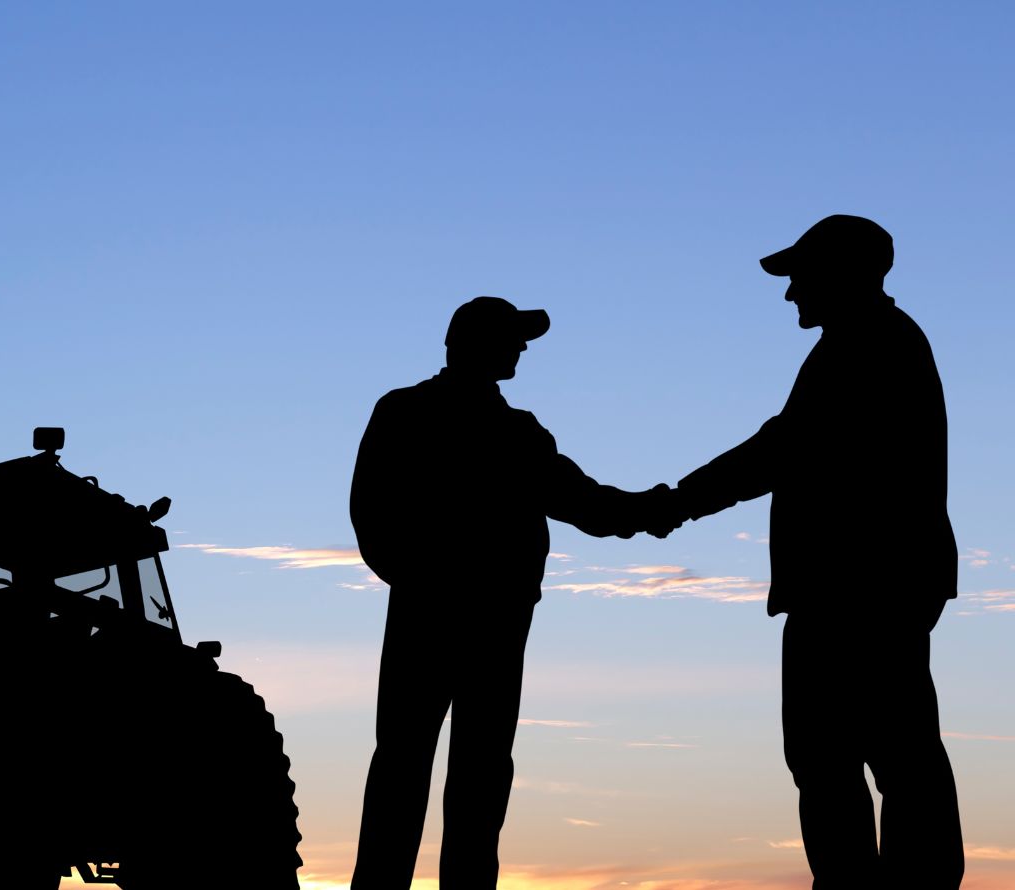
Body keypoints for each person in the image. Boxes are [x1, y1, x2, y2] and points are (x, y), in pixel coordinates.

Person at [662, 215, 962, 889]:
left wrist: (676, 500)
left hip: (858, 587)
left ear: (842, 273)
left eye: (801, 276)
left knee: (860, 755)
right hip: (869, 582)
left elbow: (783, 446)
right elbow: (788, 443)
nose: (791, 292)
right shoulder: (866, 342)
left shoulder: (870, 344)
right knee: (861, 754)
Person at [348, 296, 673, 890]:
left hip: (480, 619)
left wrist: (649, 509)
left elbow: (585, 502)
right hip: (457, 616)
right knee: (421, 762)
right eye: (511, 338)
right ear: (471, 344)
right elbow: (372, 514)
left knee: (465, 766)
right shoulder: (423, 415)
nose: (521, 349)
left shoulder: (509, 430)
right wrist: (654, 509)